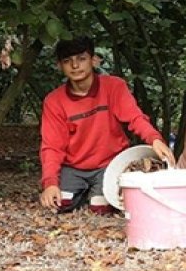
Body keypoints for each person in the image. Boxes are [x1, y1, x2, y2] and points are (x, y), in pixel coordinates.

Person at [39, 37, 175, 214]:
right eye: (67, 61)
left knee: (101, 208)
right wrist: (50, 183)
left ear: (94, 60)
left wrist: (154, 139)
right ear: (59, 66)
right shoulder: (54, 100)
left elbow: (135, 118)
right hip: (73, 167)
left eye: (81, 59)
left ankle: (95, 193)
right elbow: (52, 146)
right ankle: (78, 191)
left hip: (109, 164)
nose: (75, 66)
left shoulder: (113, 86)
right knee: (59, 205)